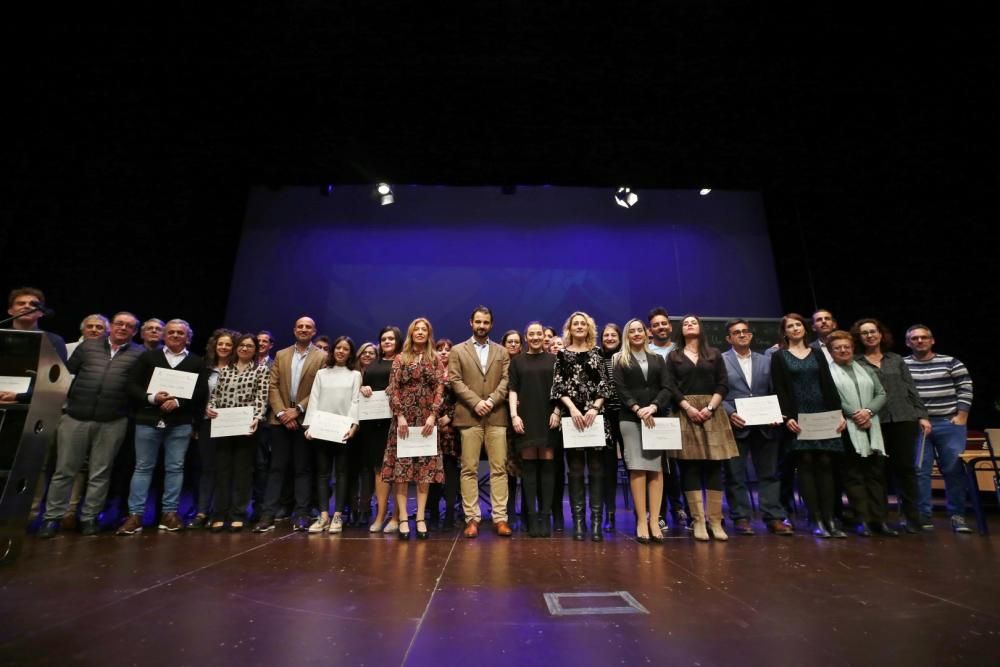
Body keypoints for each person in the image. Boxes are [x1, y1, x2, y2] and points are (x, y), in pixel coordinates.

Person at [36, 312, 143, 538]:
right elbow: (66, 375)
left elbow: (138, 387)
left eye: (129, 326)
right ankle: (51, 518)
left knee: (100, 473)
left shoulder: (139, 354)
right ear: (111, 327)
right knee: (64, 471)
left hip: (113, 420)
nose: (123, 328)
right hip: (76, 416)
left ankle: (89, 518)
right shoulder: (88, 347)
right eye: (119, 324)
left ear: (134, 331)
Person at [118, 319, 208, 534]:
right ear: (164, 336)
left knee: (175, 468)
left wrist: (179, 402)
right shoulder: (149, 357)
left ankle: (169, 514)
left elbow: (201, 391)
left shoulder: (196, 361)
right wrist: (152, 398)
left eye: (180, 333)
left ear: (188, 337)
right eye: (171, 332)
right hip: (148, 420)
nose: (176, 336)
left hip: (180, 423)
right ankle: (135, 515)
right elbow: (131, 385)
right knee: (142, 467)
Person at [770, 313, 847, 538]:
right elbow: (780, 389)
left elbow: (828, 385)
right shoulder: (780, 356)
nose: (795, 329)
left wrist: (838, 414)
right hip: (798, 418)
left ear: (804, 329)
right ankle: (815, 519)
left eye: (798, 325)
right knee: (805, 464)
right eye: (790, 326)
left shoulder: (817, 353)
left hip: (823, 414)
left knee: (825, 463)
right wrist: (787, 417)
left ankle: (830, 518)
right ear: (785, 332)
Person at [665, 315, 738, 542]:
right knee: (690, 468)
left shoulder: (714, 354)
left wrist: (710, 407)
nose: (689, 325)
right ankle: (697, 520)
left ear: (700, 328)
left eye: (693, 322)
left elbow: (723, 383)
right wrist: (688, 408)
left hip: (712, 412)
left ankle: (715, 520)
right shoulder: (673, 355)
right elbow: (670, 386)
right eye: (685, 323)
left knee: (716, 467)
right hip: (686, 413)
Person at [853, 318, 929, 533]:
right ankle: (880, 519)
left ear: (881, 334)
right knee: (877, 472)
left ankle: (912, 518)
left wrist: (921, 415)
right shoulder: (856, 362)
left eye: (873, 331)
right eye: (864, 333)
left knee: (906, 470)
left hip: (904, 418)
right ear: (859, 338)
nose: (869, 336)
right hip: (875, 422)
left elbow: (911, 388)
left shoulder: (895, 359)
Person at [252, 316, 327, 533]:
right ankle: (267, 514)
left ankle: (301, 514)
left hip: (305, 420)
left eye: (308, 327)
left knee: (302, 469)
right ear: (294, 330)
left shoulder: (322, 356)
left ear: (314, 331)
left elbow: (318, 388)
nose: (304, 329)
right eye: (300, 326)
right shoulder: (281, 354)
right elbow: (272, 386)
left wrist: (298, 410)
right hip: (280, 420)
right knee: (276, 468)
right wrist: (283, 412)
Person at [721, 319, 794, 536]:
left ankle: (773, 517)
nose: (742, 335)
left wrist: (775, 413)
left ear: (751, 336)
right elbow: (718, 391)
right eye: (736, 332)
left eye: (745, 332)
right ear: (729, 338)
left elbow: (775, 390)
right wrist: (729, 413)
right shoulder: (721, 361)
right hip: (737, 423)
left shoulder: (766, 360)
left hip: (766, 425)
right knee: (735, 474)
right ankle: (741, 517)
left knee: (769, 473)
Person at [448, 306, 512, 538]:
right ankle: (472, 518)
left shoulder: (502, 351)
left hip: (496, 416)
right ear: (471, 323)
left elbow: (506, 380)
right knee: (469, 469)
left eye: (486, 322)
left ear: (491, 325)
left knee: (499, 469)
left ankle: (500, 518)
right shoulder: (457, 350)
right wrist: (476, 402)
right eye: (478, 322)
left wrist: (492, 400)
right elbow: (455, 380)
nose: (482, 326)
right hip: (469, 415)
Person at [904, 324, 974, 533]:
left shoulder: (951, 362)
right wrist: (916, 417)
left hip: (948, 423)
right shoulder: (903, 364)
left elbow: (965, 387)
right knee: (920, 471)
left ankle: (958, 515)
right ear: (908, 343)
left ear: (932, 340)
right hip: (918, 425)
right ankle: (924, 516)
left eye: (923, 337)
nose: (919, 341)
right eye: (914, 338)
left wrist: (962, 416)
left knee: (953, 470)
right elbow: (901, 394)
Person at [826, 331, 895, 537]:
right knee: (853, 476)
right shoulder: (828, 373)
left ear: (852, 348)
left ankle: (880, 521)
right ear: (831, 351)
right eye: (837, 347)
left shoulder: (865, 368)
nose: (843, 350)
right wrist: (855, 414)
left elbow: (881, 393)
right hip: (846, 428)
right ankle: (862, 520)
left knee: (875, 475)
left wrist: (868, 411)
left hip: (872, 425)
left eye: (846, 346)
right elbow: (832, 397)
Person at [382, 318, 446, 539]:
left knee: (424, 471)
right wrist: (399, 416)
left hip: (427, 419)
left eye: (424, 329)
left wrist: (433, 416)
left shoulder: (436, 359)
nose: (420, 332)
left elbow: (440, 388)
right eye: (416, 329)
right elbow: (393, 388)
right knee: (402, 471)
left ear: (429, 334)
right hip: (404, 420)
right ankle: (402, 519)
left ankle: (419, 517)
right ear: (411, 333)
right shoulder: (401, 358)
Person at [612, 318, 672, 543]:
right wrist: (637, 408)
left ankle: (654, 520)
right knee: (637, 468)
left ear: (646, 334)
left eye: (640, 330)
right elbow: (620, 388)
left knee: (656, 469)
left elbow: (667, 386)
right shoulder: (620, 359)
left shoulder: (658, 359)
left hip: (655, 417)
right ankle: (640, 521)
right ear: (627, 336)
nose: (636, 334)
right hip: (630, 418)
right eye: (632, 331)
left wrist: (654, 406)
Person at [551, 311, 610, 541]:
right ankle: (578, 523)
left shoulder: (597, 353)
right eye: (575, 323)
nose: (579, 326)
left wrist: (594, 409)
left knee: (596, 469)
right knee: (575, 470)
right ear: (569, 328)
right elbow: (558, 388)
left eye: (582, 323)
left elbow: (604, 386)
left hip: (595, 417)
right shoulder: (562, 354)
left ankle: (596, 522)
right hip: (572, 418)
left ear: (589, 328)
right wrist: (573, 409)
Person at [203, 333, 269, 532]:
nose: (245, 349)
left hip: (246, 427)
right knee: (222, 471)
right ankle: (220, 513)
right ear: (237, 348)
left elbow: (261, 397)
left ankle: (238, 514)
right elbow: (215, 395)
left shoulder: (261, 370)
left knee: (242, 472)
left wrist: (257, 417)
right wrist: (210, 407)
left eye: (250, 346)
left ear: (255, 350)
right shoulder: (225, 370)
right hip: (223, 426)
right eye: (242, 345)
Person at [303, 336, 361, 534]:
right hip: (322, 429)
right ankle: (323, 515)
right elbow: (315, 399)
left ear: (350, 353)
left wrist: (354, 425)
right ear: (333, 351)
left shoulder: (355, 374)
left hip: (343, 429)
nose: (341, 351)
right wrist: (309, 426)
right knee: (323, 473)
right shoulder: (322, 374)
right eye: (338, 348)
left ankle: (338, 515)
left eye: (345, 349)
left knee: (342, 473)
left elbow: (355, 401)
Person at [509, 322, 560, 537]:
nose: (536, 337)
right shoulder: (517, 362)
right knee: (529, 468)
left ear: (544, 337)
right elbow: (512, 390)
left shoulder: (554, 360)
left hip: (548, 416)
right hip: (526, 417)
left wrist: (557, 412)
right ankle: (531, 517)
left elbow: (560, 389)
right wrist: (514, 416)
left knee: (547, 466)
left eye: (539, 333)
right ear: (526, 337)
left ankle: (545, 517)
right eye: (532, 334)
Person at [646, 306, 688, 535]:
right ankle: (658, 512)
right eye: (656, 325)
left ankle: (681, 508)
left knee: (680, 465)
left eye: (664, 324)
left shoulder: (681, 351)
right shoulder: (647, 352)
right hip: (655, 413)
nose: (661, 327)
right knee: (659, 465)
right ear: (650, 330)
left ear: (670, 327)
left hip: (680, 412)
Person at [190, 329, 237, 528]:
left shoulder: (239, 369)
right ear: (214, 347)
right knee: (207, 468)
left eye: (228, 344)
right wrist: (202, 412)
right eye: (221, 344)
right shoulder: (204, 368)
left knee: (226, 469)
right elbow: (194, 395)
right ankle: (201, 511)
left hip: (231, 425)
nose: (224, 347)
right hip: (207, 423)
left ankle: (221, 512)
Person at [359, 326, 402, 533]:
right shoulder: (373, 364)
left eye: (391, 339)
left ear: (398, 341)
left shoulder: (403, 361)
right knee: (379, 469)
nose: (387, 342)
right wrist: (363, 388)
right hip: (374, 424)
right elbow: (365, 387)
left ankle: (397, 517)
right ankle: (380, 515)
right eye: (384, 339)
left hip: (397, 423)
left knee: (397, 470)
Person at [427, 339, 460, 529]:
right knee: (431, 471)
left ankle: (449, 513)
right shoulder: (430, 372)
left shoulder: (457, 373)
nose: (444, 353)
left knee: (450, 469)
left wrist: (450, 417)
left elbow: (463, 397)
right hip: (431, 426)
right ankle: (432, 514)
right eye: (440, 349)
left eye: (448, 349)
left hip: (451, 428)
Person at [599, 322, 623, 532]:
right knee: (609, 469)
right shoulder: (597, 357)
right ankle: (610, 514)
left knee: (635, 464)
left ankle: (646, 513)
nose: (609, 338)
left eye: (613, 335)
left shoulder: (627, 356)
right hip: (604, 417)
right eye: (606, 335)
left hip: (627, 414)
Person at [3, 287, 67, 367]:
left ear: (41, 313)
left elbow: (57, 372)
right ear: (10, 311)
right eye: (21, 303)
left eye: (33, 304)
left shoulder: (54, 340)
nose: (27, 306)